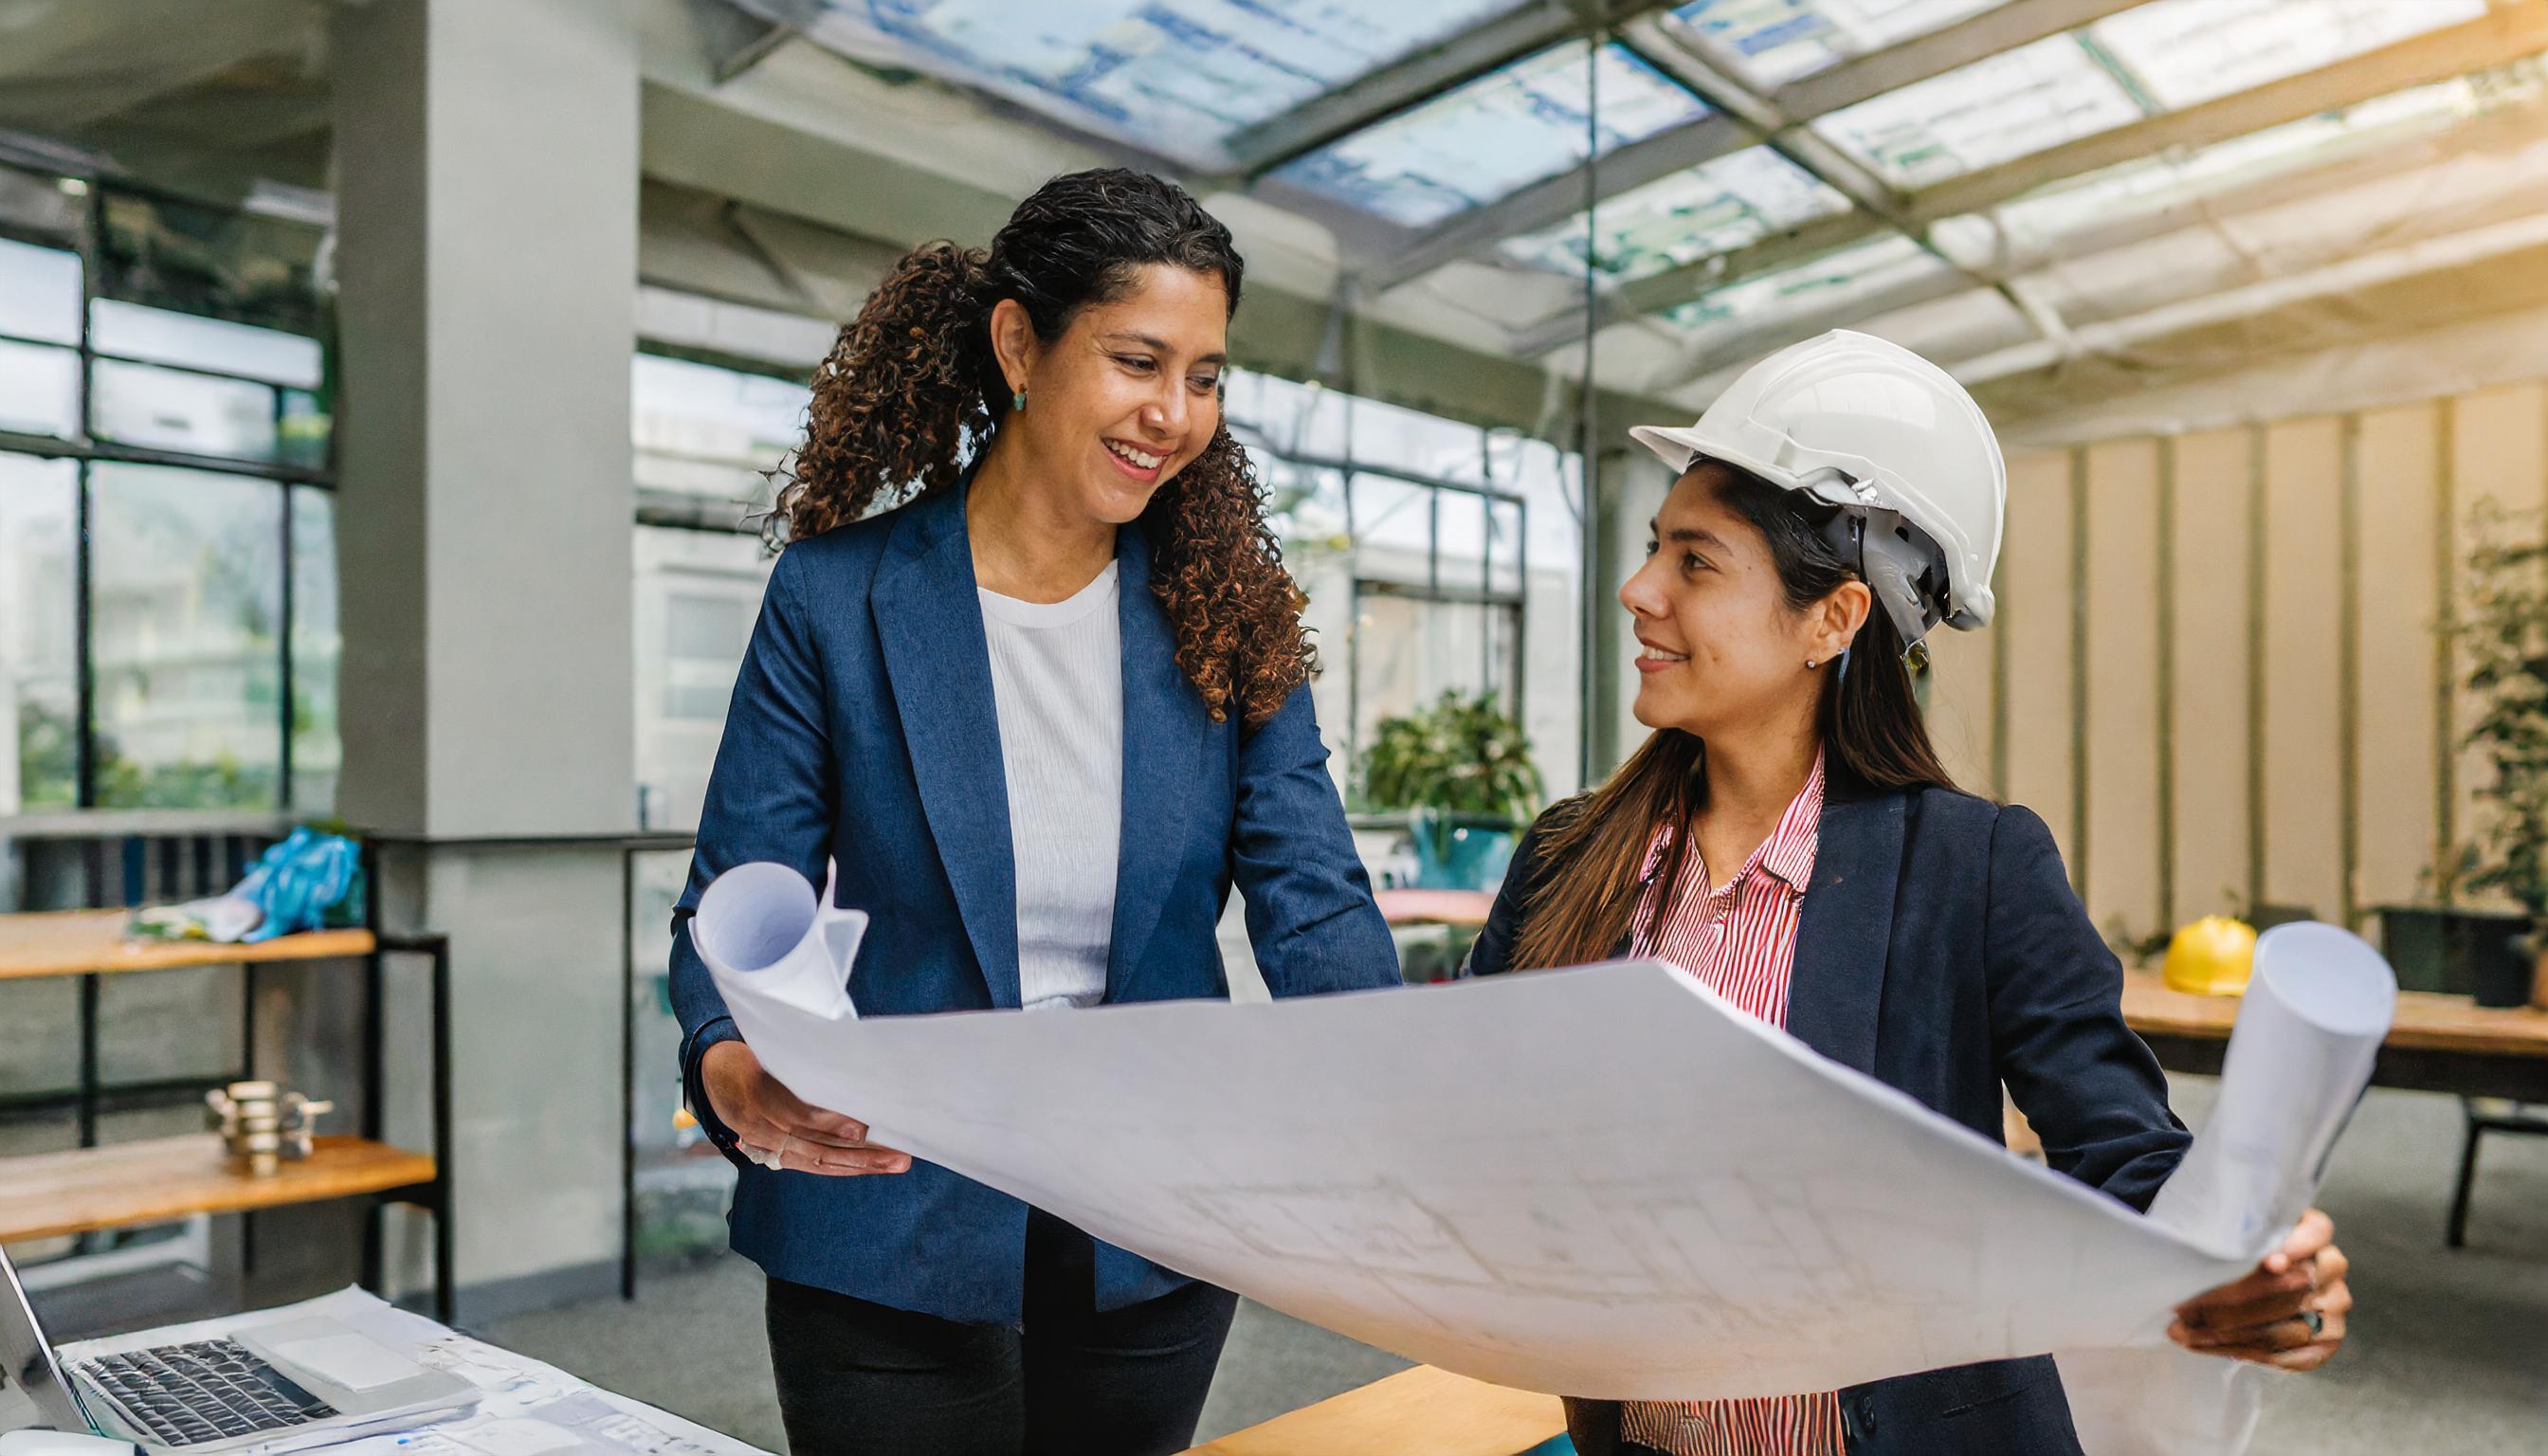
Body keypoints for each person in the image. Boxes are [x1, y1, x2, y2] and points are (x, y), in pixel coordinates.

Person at [1462, 331, 2353, 1455]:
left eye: (1695, 562)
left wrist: (2247, 1265)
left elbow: (2121, 1153)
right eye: (1654, 550)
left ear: (1833, 619)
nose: (1639, 591)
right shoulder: (1568, 858)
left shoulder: (1973, 870)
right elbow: (1469, 1133)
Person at [665, 168, 1400, 1456]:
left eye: (1209, 375)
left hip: (1150, 1214)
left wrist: (1414, 1098)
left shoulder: (1228, 622)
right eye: (1138, 361)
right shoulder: (838, 600)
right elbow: (732, 897)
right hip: (885, 1209)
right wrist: (730, 1059)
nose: (1175, 414)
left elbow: (1315, 899)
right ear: (1021, 344)